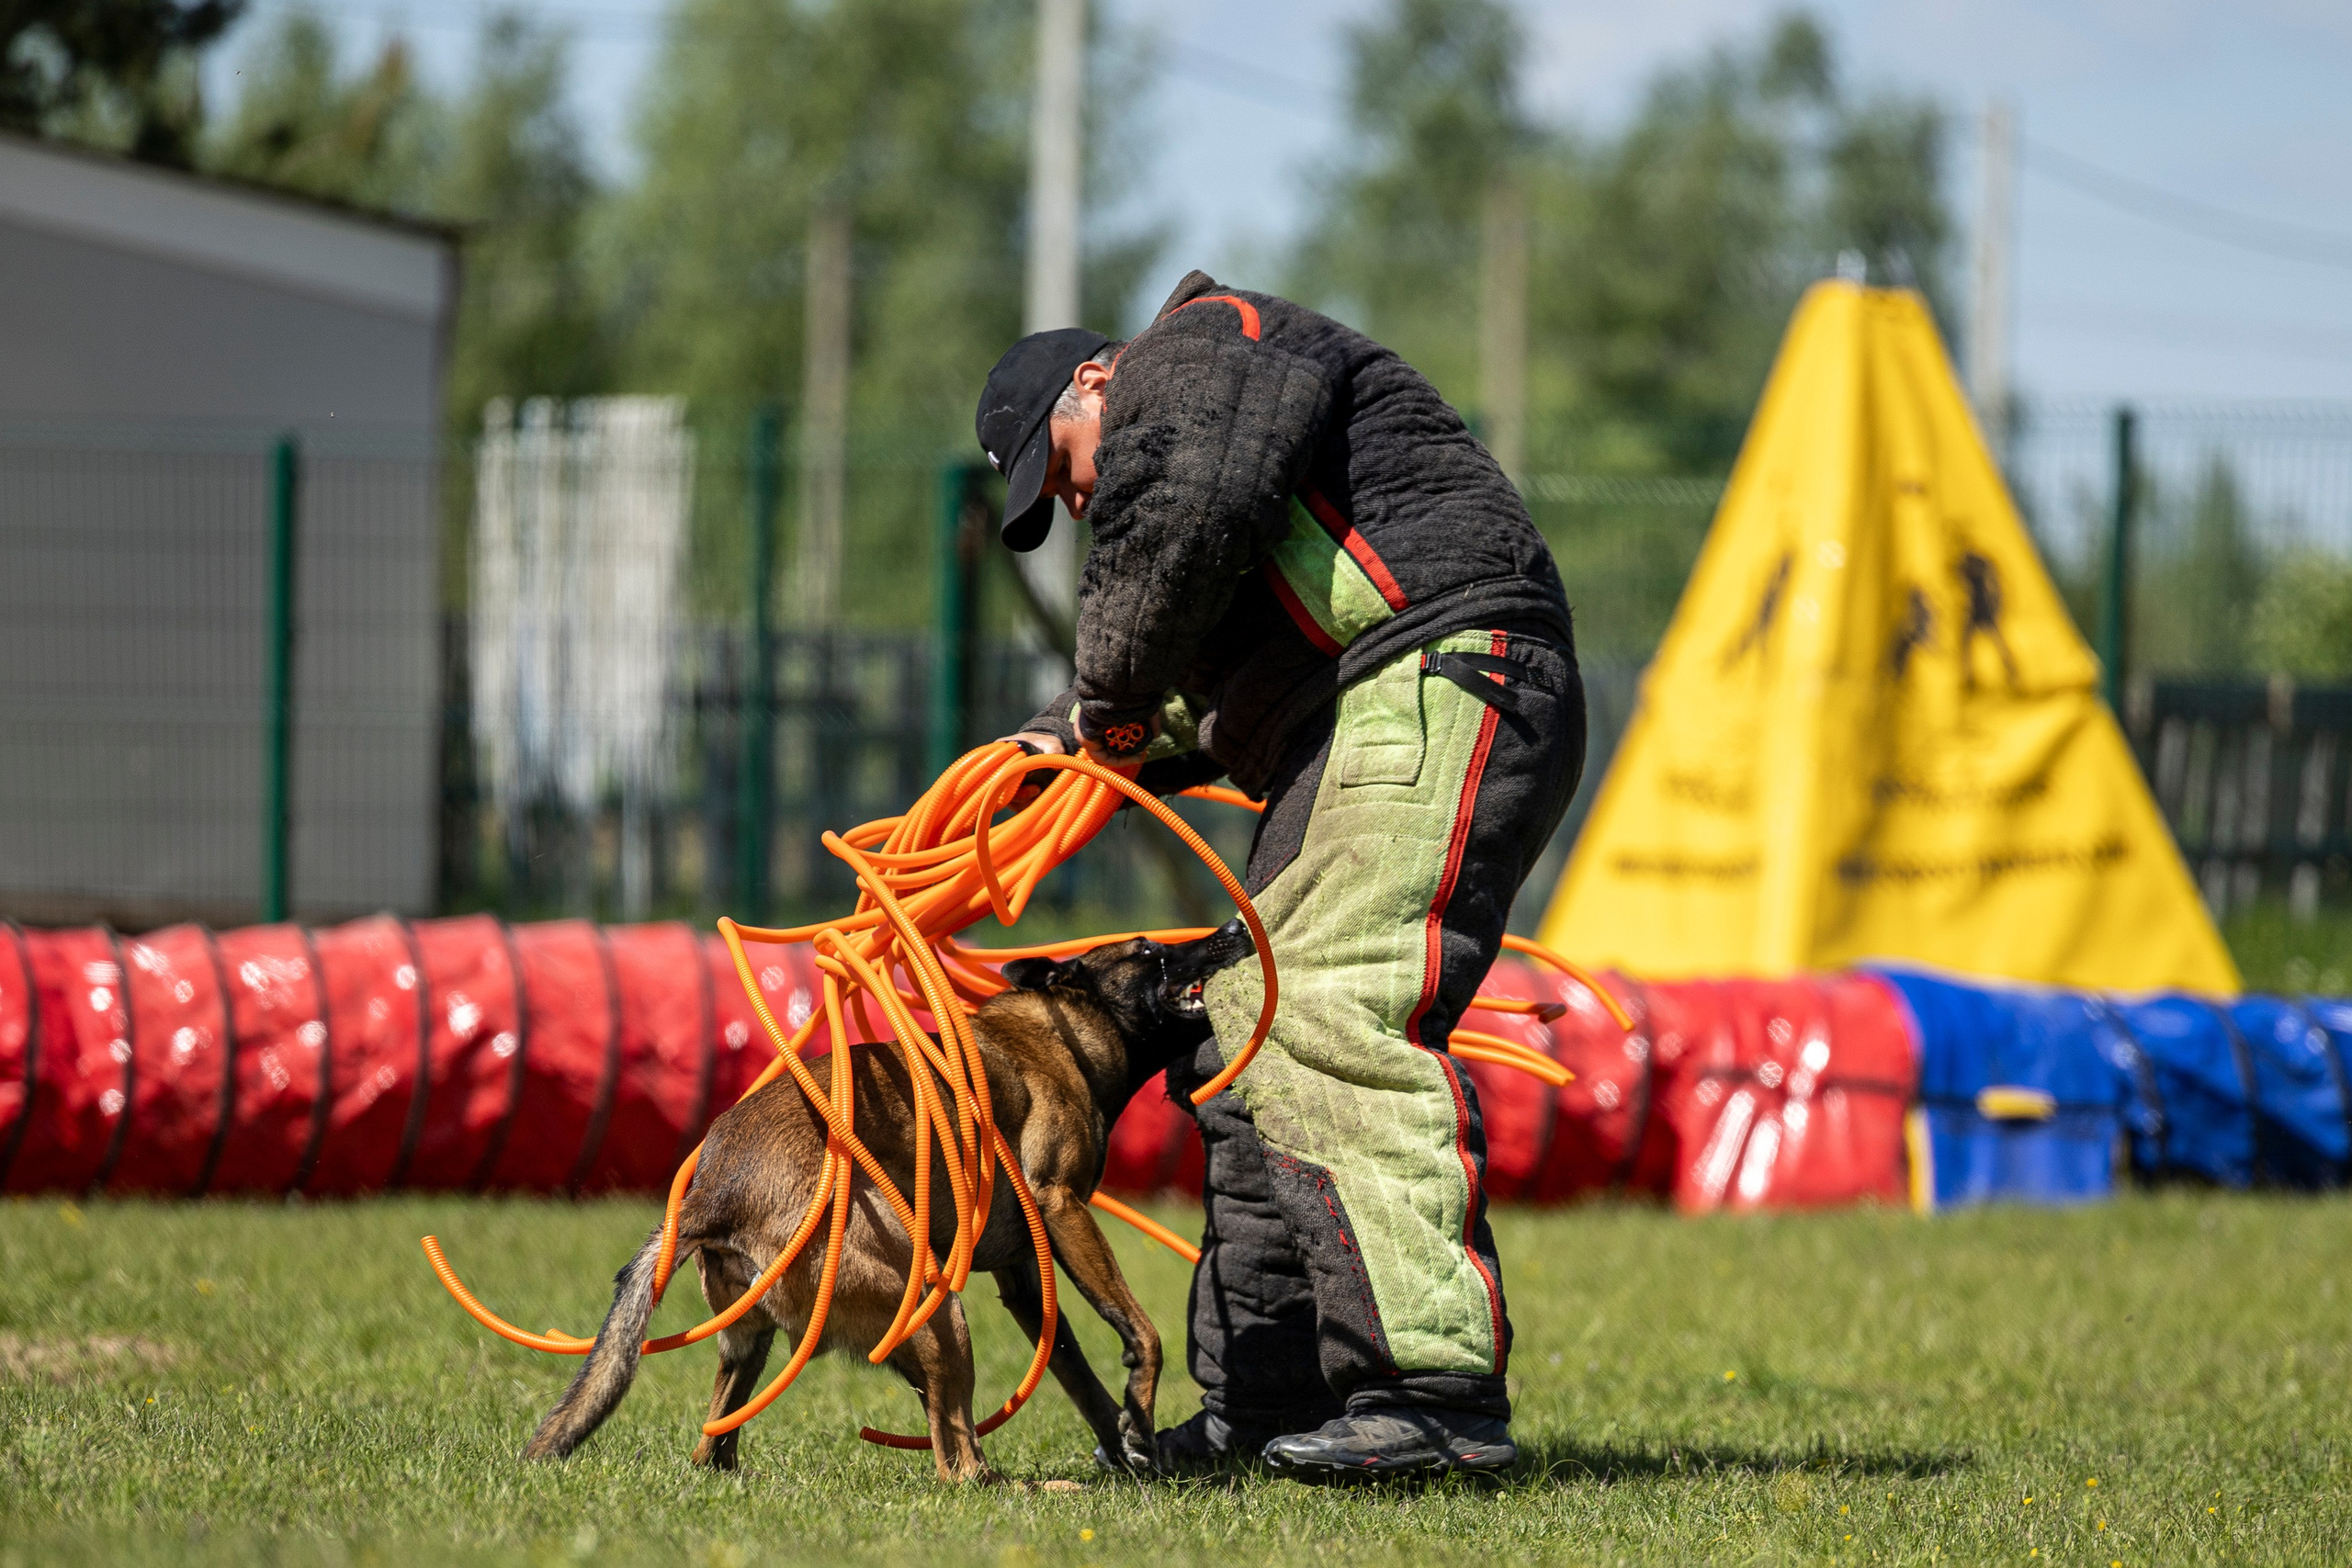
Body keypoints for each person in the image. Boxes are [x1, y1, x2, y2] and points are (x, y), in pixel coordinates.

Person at [973, 270, 1586, 1478]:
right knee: (1239, 1031)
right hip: (1363, 707)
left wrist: (1104, 696)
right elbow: (1194, 685)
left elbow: (1173, 526)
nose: (1079, 502)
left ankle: (1433, 1394)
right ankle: (1262, 1408)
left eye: (1065, 470)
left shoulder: (1198, 351)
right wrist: (1047, 749)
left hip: (1447, 671)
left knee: (1329, 1006)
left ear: (1096, 381)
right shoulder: (1234, 492)